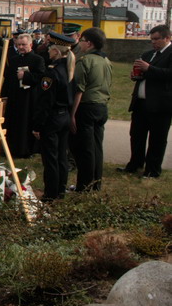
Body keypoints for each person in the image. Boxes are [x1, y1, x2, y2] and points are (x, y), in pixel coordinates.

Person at [118, 25, 172, 178]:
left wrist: (149, 69)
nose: (153, 43)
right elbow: (144, 73)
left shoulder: (170, 53)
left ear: (167, 38)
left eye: (156, 39)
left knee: (157, 139)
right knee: (136, 135)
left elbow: (169, 74)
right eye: (151, 40)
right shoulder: (148, 54)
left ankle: (152, 170)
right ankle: (135, 164)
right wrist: (136, 75)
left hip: (161, 105)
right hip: (141, 103)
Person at [32, 32, 76, 202]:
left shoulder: (52, 73)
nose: (48, 50)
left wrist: (37, 125)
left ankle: (51, 193)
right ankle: (61, 190)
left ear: (56, 51)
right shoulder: (70, 69)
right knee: (61, 156)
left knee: (50, 158)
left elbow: (45, 102)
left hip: (52, 119)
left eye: (50, 48)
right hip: (64, 116)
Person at [70, 27, 112, 192]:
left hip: (86, 107)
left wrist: (72, 114)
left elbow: (79, 89)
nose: (79, 43)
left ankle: (84, 186)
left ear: (89, 43)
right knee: (97, 147)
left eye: (82, 40)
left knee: (85, 150)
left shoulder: (85, 60)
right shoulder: (106, 61)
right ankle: (96, 184)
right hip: (101, 107)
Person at [2, 33, 45, 158]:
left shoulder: (38, 59)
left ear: (30, 44)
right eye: (19, 45)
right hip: (15, 96)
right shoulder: (14, 59)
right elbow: (8, 78)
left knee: (26, 124)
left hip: (29, 98)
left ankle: (26, 150)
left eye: (24, 45)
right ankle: (11, 148)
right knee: (13, 123)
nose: (21, 47)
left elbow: (40, 78)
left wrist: (25, 76)